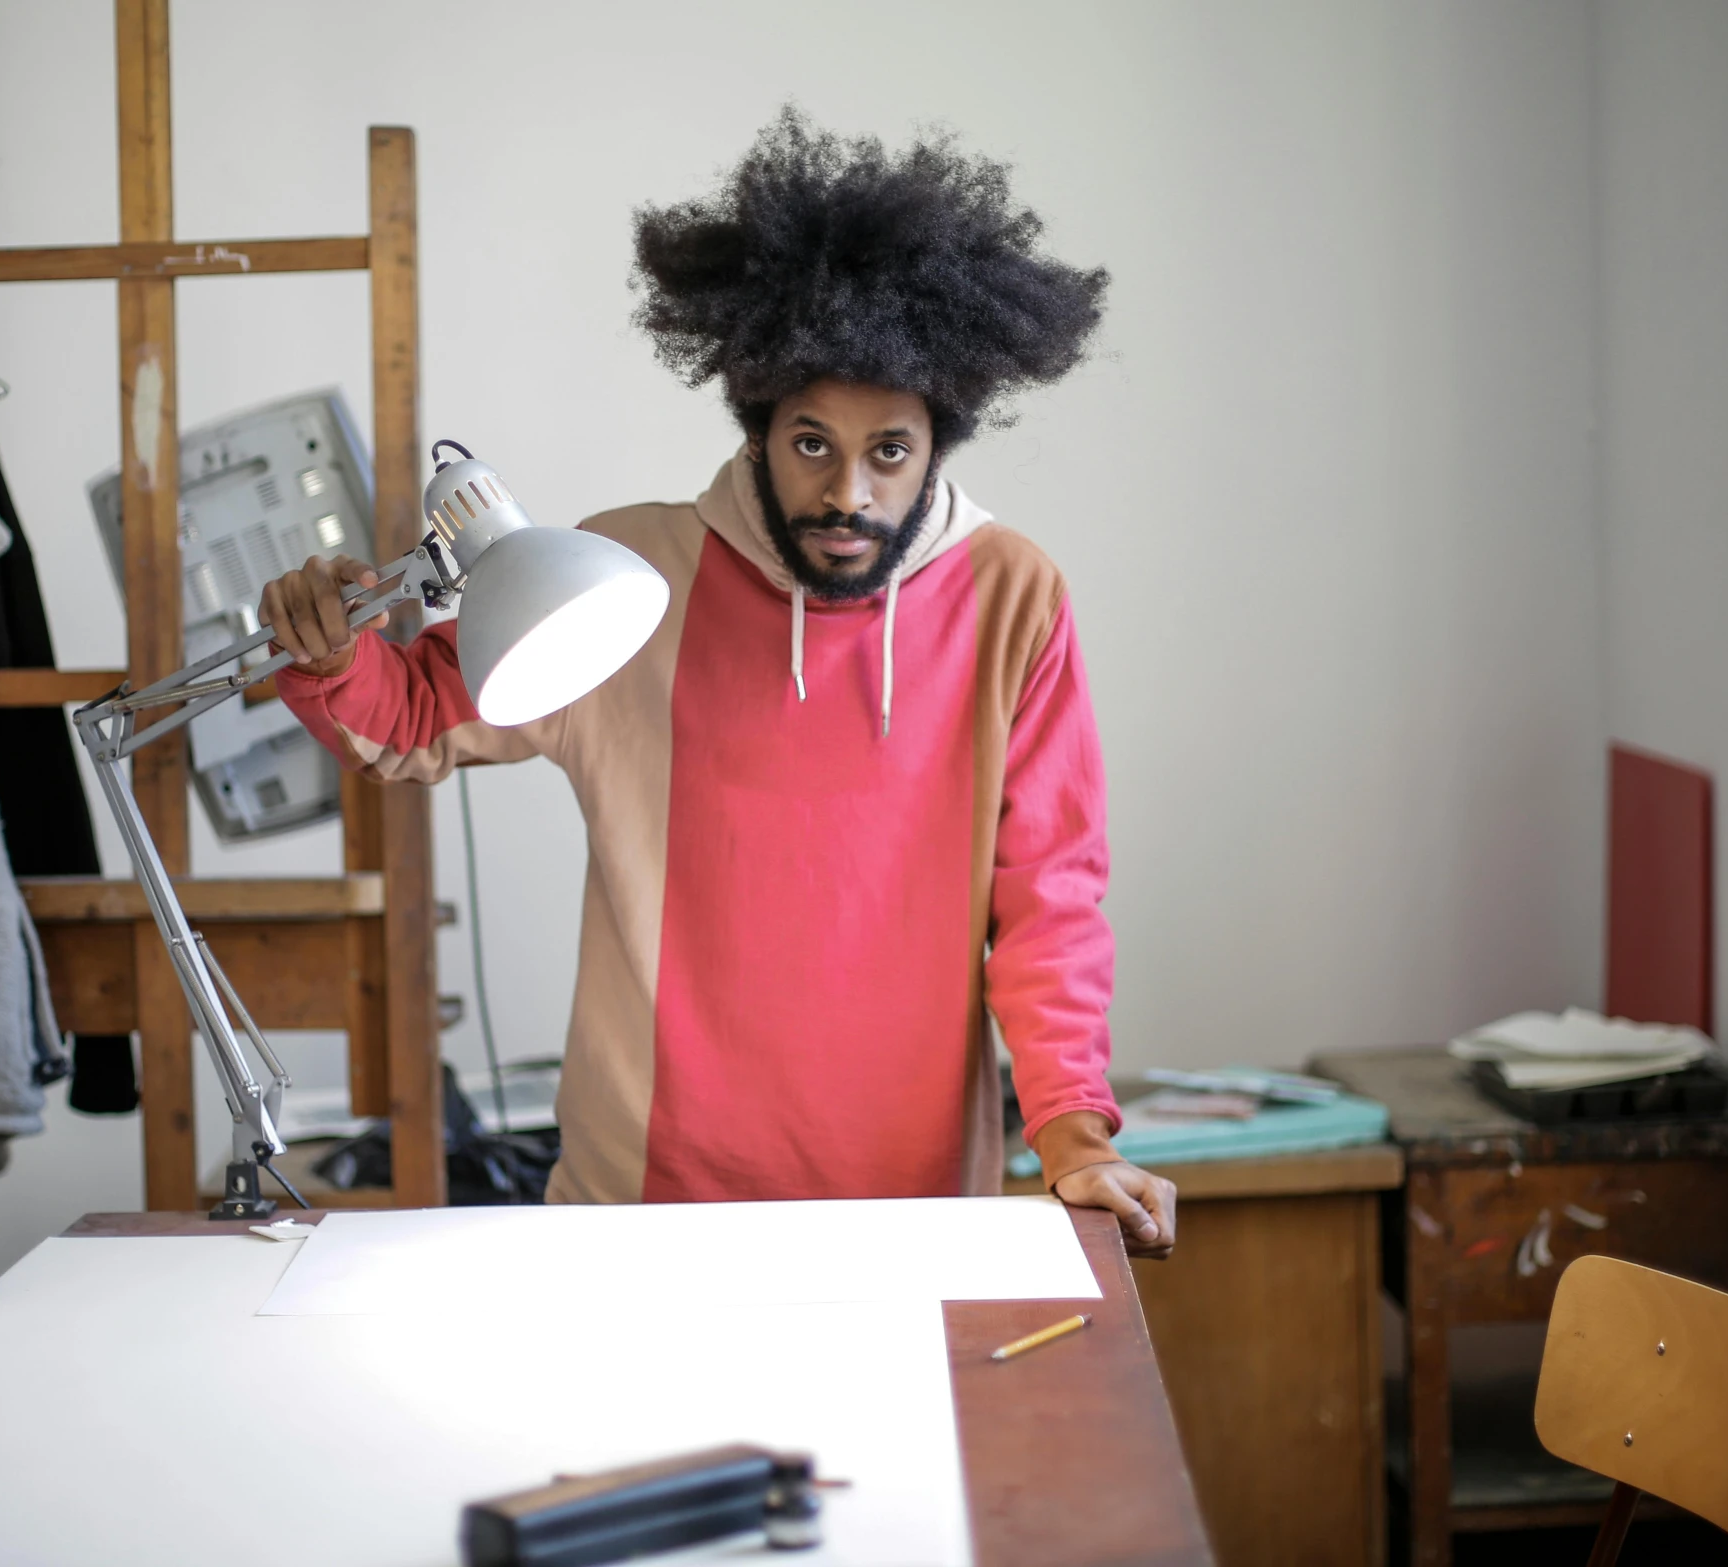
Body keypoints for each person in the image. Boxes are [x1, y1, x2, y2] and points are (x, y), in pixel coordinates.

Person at [261, 109, 1176, 1256]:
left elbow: (1048, 899)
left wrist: (1077, 1137)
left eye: (887, 449)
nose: (848, 491)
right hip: (639, 1206)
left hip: (913, 1207)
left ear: (938, 441)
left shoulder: (1012, 598)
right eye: (810, 442)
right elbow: (412, 722)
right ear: (754, 427)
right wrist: (329, 652)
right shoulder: (621, 582)